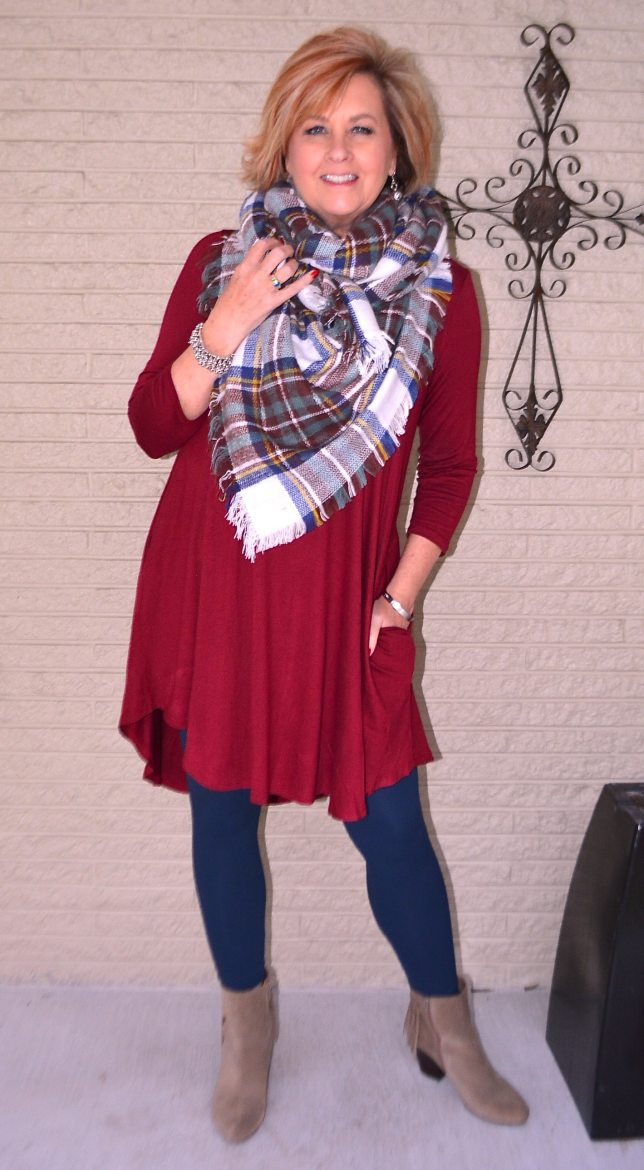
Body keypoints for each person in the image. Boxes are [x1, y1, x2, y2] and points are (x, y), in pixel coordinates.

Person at [120, 25, 528, 1142]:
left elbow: (449, 467)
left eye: (361, 128)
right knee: (222, 814)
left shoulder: (444, 294)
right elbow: (153, 425)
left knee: (391, 824)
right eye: (315, 127)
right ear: (284, 147)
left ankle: (441, 1017)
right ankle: (245, 1026)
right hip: (217, 589)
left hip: (351, 606)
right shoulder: (223, 259)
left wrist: (399, 599)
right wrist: (225, 325)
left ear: (397, 151)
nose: (337, 150)